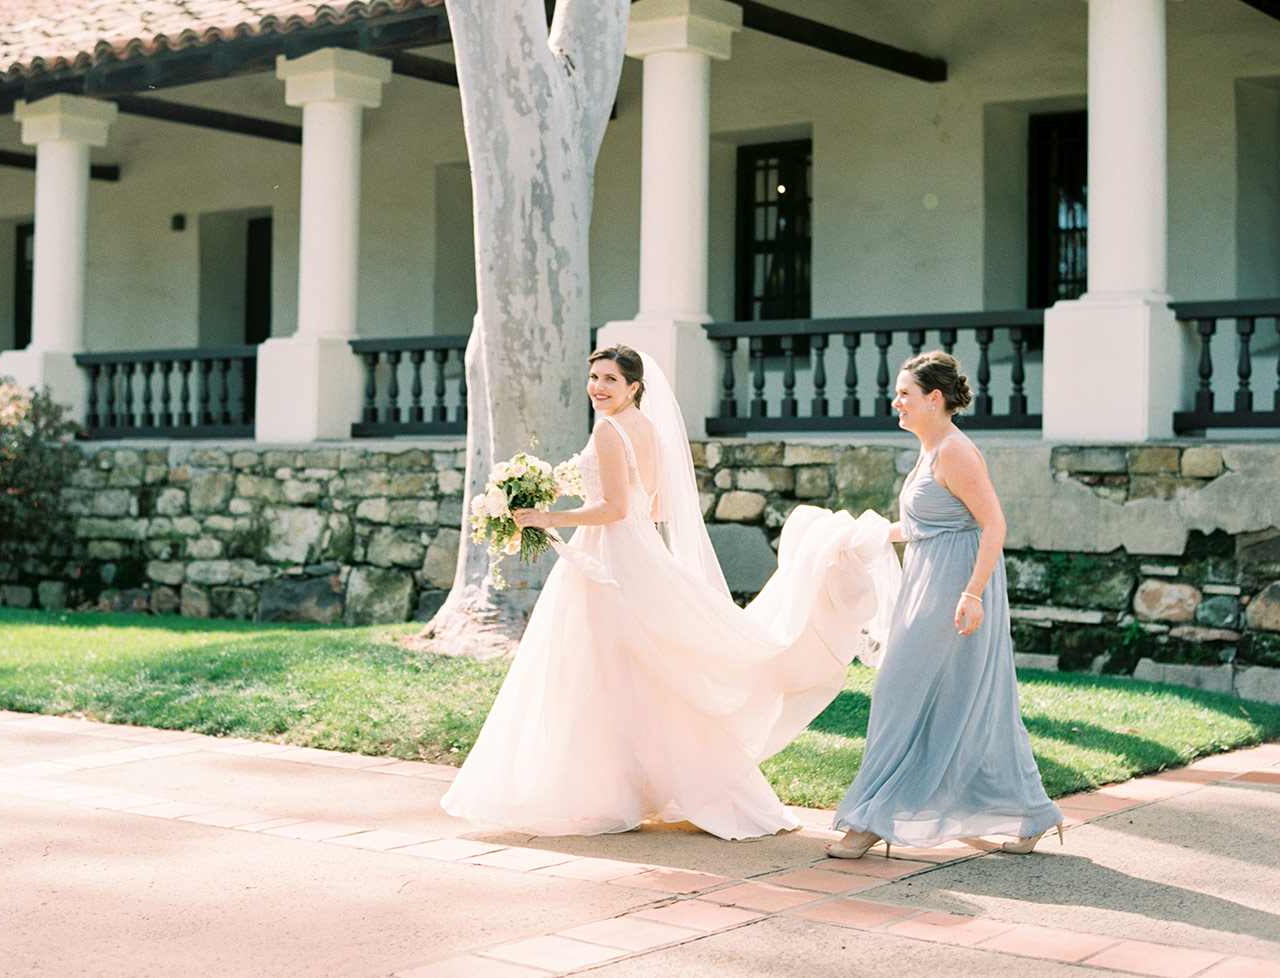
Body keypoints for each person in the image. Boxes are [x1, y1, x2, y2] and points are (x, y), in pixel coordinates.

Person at [440, 345, 901, 841]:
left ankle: (615, 793)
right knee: (641, 673)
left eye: (610, 379)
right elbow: (652, 506)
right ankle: (648, 788)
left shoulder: (607, 429)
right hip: (638, 553)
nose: (598, 387)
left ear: (634, 387)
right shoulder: (648, 428)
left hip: (611, 558)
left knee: (600, 670)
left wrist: (547, 517)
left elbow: (615, 508)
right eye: (594, 377)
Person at [827, 351, 1064, 858]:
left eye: (905, 394)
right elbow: (924, 527)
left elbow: (993, 523)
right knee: (953, 702)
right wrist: (855, 537)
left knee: (901, 691)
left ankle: (871, 817)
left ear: (934, 399)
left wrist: (972, 593)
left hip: (957, 590)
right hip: (928, 584)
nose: (896, 402)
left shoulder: (955, 451)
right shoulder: (929, 450)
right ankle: (1032, 811)